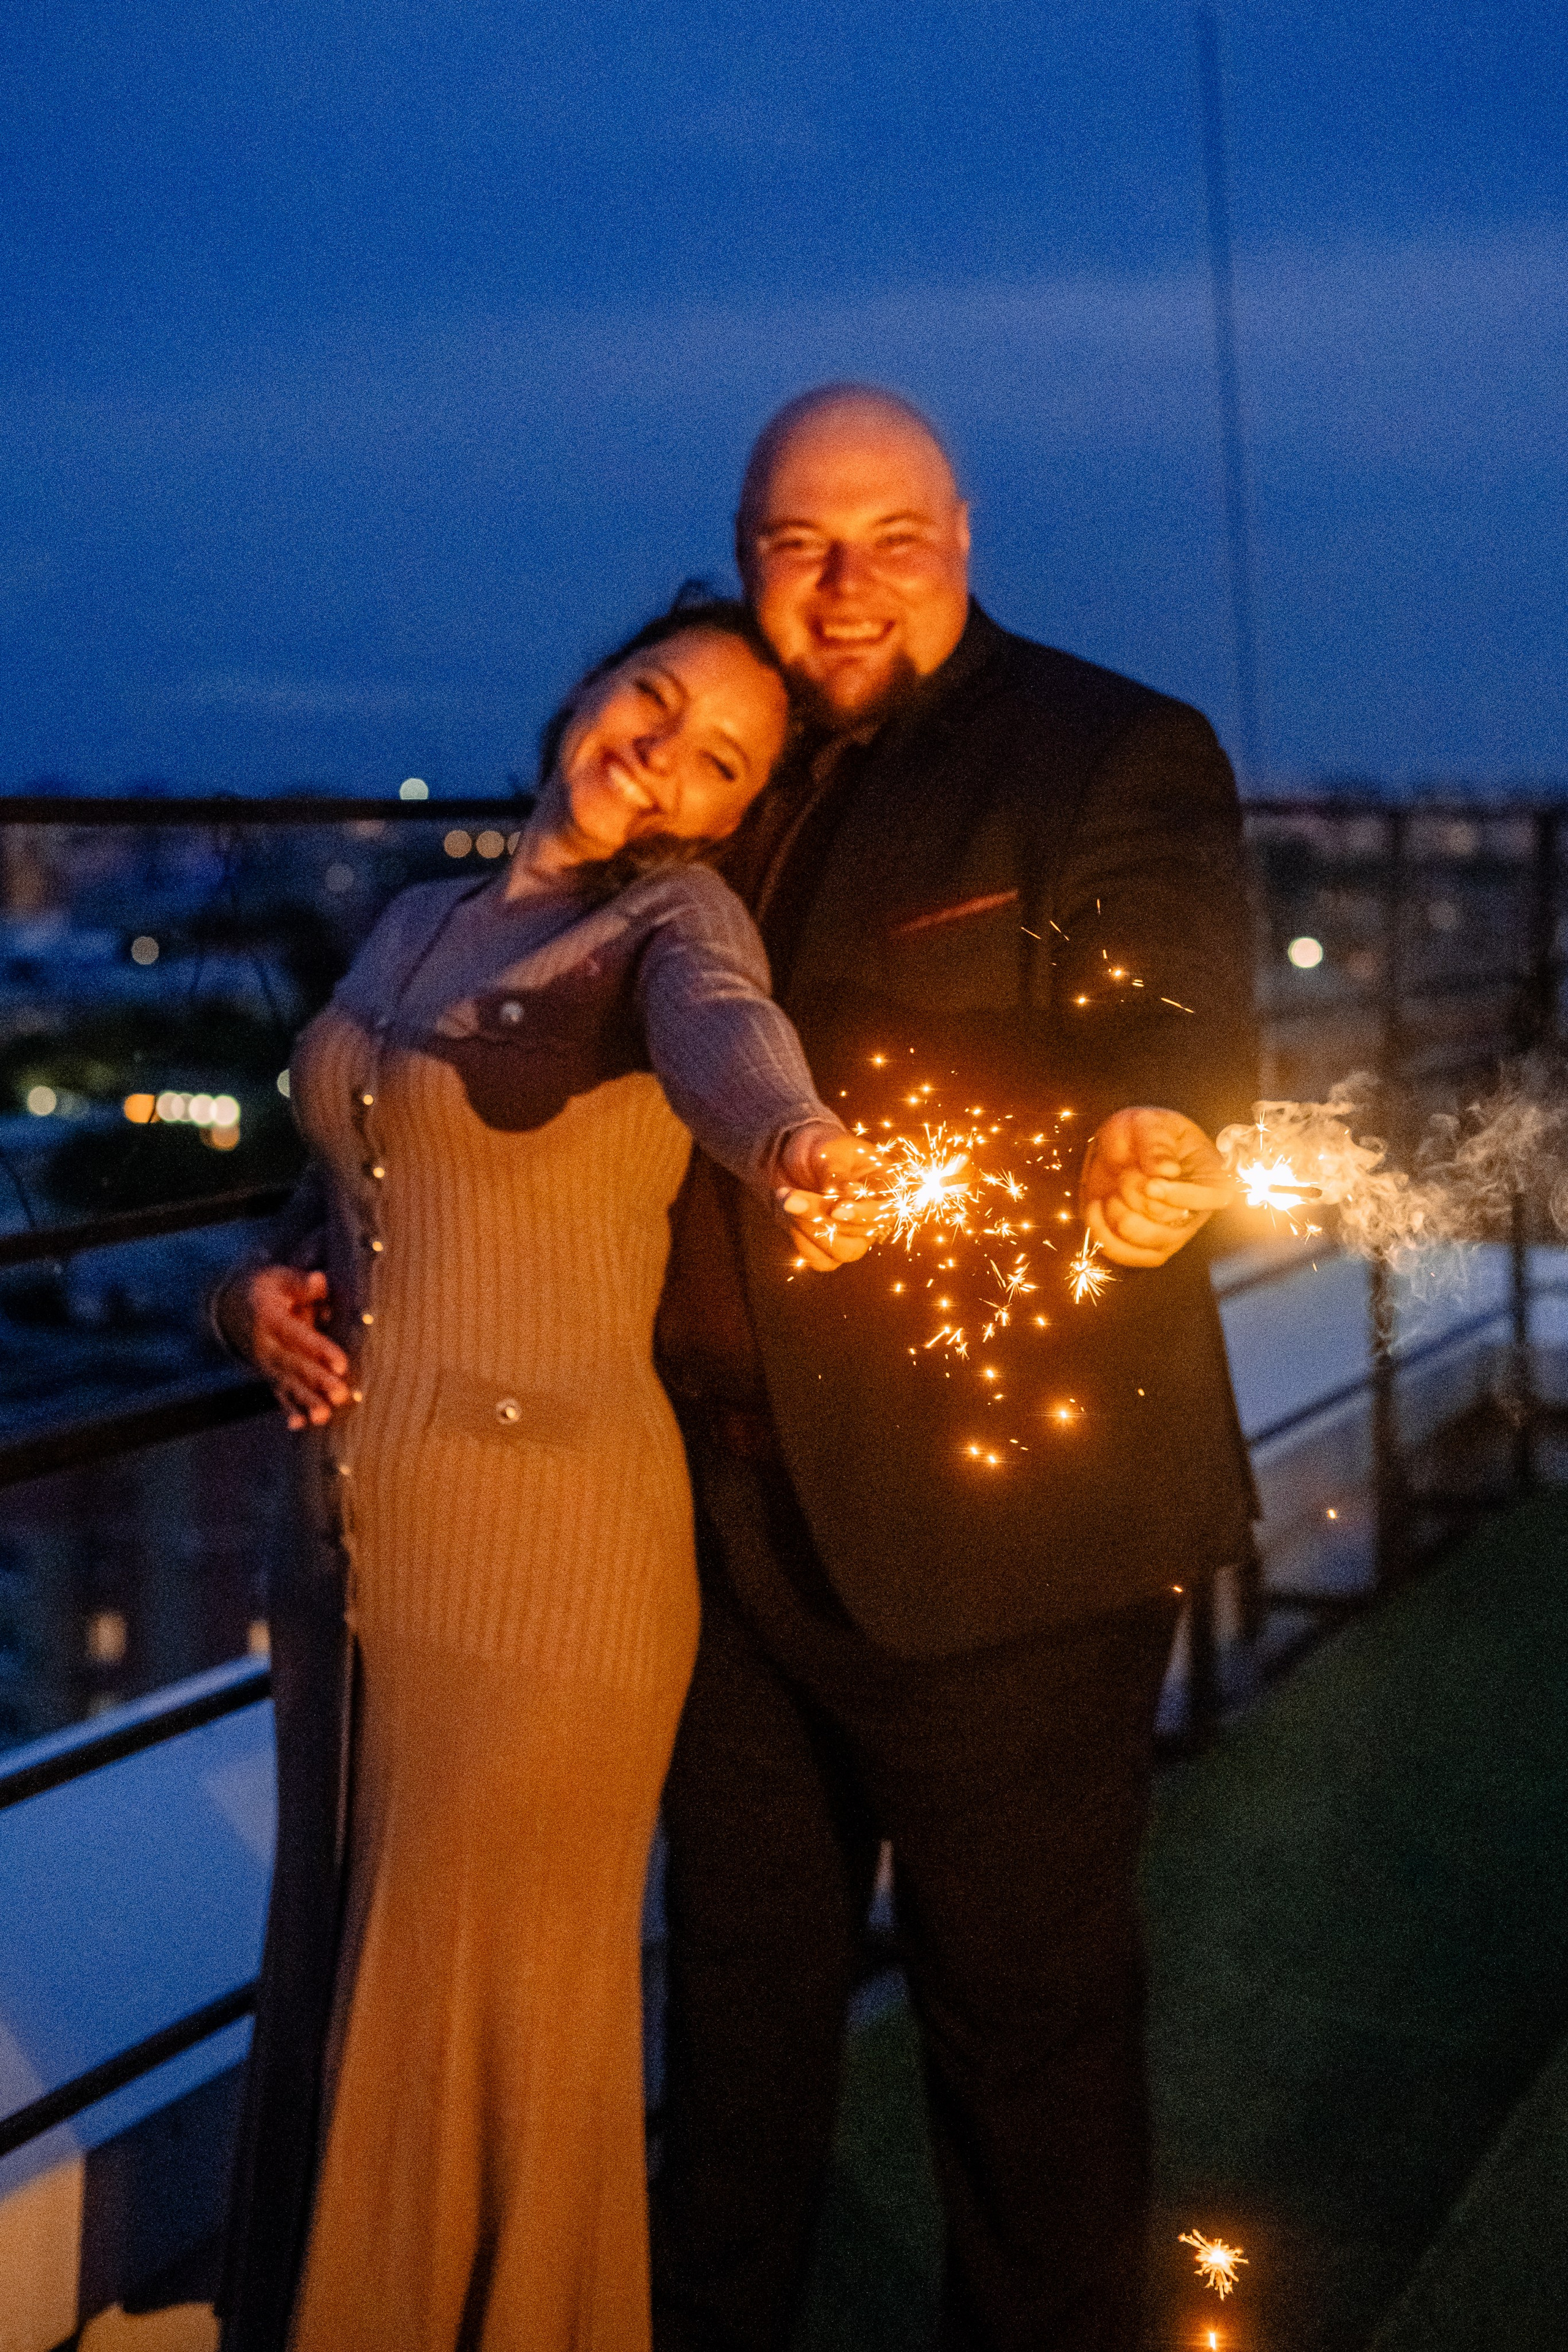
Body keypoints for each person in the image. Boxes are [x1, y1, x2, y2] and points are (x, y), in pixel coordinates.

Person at [648, 387, 1259, 2352]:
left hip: (1005, 1542)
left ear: (965, 537)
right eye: (794, 543)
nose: (839, 588)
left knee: (1025, 2048)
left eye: (886, 538)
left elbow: (1164, 994)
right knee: (736, 2040)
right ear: (747, 554)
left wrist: (1149, 1133)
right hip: (728, 1524)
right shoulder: (712, 765)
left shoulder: (1108, 745)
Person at [214, 595, 875, 2352]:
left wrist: (795, 1147)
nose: (661, 753)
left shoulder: (673, 921)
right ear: (589, 684)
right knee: (341, 1975)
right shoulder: (419, 914)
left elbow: (730, 1037)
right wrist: (245, 1299)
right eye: (653, 699)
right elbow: (350, 1178)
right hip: (350, 1543)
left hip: (542, 1566)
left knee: (469, 2033)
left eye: (720, 759)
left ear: (734, 816)